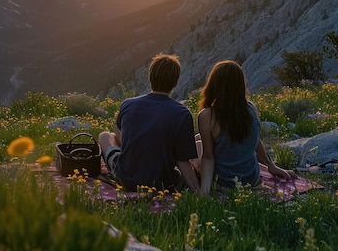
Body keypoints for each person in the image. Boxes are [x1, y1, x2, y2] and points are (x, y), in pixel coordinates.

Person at [99, 54, 200, 193]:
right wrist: (199, 191)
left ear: (150, 77)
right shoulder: (182, 113)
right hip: (161, 183)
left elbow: (121, 136)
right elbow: (182, 161)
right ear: (175, 82)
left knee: (105, 136)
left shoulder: (128, 104)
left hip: (126, 179)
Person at [196, 60, 295, 195]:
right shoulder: (251, 109)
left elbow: (208, 157)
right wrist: (270, 165)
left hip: (226, 183)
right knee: (200, 139)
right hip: (252, 179)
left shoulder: (207, 116)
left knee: (197, 146)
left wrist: (204, 192)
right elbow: (255, 140)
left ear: (214, 85)